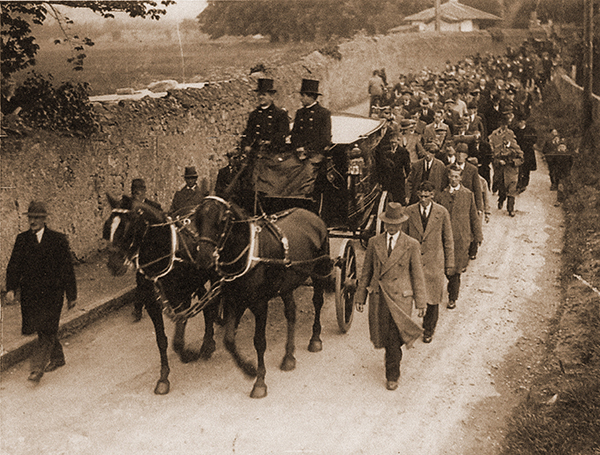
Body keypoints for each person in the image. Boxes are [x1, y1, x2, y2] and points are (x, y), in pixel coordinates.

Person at [355, 202, 427, 391]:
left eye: (394, 224)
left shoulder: (411, 244)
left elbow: (417, 275)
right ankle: (392, 359)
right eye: (387, 223)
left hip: (400, 299)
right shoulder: (374, 242)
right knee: (385, 335)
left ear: (401, 225)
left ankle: (392, 375)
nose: (390, 227)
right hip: (380, 298)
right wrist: (360, 297)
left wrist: (421, 302)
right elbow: (366, 272)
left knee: (394, 337)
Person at [5, 201, 77, 383]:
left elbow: (67, 268)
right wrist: (11, 288)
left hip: (53, 293)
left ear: (44, 220)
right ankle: (58, 357)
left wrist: (71, 295)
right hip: (31, 295)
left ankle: (37, 369)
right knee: (42, 328)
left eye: (36, 218)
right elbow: (14, 266)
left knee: (47, 327)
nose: (32, 221)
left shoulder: (57, 239)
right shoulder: (22, 240)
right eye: (30, 217)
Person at [403, 182, 455, 343]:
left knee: (433, 298)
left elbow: (448, 239)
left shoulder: (442, 212)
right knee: (409, 296)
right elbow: (402, 239)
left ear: (432, 195)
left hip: (434, 263)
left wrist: (450, 263)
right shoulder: (409, 212)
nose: (424, 199)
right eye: (421, 196)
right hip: (414, 262)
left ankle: (428, 330)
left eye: (427, 196)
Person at [436, 166, 483, 310]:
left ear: (461, 178)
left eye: (457, 176)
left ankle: (452, 297)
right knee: (443, 267)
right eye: (451, 176)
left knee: (456, 269)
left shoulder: (468, 194)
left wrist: (478, 235)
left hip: (460, 239)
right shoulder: (441, 195)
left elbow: (473, 216)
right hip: (443, 239)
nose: (454, 179)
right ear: (448, 177)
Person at [130, 179, 163, 322]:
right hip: (139, 249)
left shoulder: (154, 206)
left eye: (139, 191)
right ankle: (138, 308)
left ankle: (158, 301)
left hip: (154, 249)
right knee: (141, 280)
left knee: (155, 277)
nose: (136, 194)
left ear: (144, 191)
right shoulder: (129, 208)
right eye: (134, 192)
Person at [240, 78, 290, 156]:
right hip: (255, 151)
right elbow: (248, 132)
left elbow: (283, 133)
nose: (261, 97)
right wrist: (246, 145)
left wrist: (270, 142)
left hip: (273, 152)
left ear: (271, 96)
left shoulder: (280, 114)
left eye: (264, 94)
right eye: (259, 94)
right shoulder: (254, 114)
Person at [489, 113, 524, 217]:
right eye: (502, 124)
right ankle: (501, 199)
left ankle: (510, 209)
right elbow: (492, 154)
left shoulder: (512, 138)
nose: (504, 126)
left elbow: (521, 157)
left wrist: (513, 162)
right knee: (502, 188)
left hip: (512, 169)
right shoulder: (494, 135)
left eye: (506, 124)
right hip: (500, 168)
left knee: (511, 189)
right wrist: (498, 161)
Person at [291, 79, 332, 160]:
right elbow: (294, 133)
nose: (300, 99)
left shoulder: (323, 113)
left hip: (315, 153)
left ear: (311, 97)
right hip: (298, 152)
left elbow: (325, 139)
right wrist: (298, 148)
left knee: (308, 170)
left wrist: (306, 149)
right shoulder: (300, 112)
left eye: (303, 96)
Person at [511, 114, 537, 193]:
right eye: (518, 122)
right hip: (518, 152)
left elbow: (534, 139)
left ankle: (524, 184)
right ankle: (518, 185)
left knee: (526, 168)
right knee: (519, 168)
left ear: (524, 122)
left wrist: (528, 144)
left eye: (521, 122)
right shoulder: (515, 130)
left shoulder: (531, 130)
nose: (519, 123)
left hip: (528, 152)